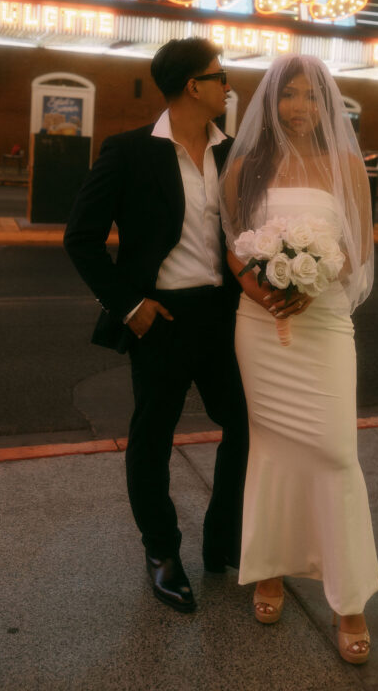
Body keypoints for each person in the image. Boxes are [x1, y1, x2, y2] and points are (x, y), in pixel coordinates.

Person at [64, 38, 247, 614]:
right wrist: (130, 305)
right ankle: (163, 552)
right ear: (194, 85)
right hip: (161, 319)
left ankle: (223, 540)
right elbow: (81, 239)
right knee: (153, 439)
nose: (229, 86)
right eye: (222, 76)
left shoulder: (234, 153)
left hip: (224, 316)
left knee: (247, 425)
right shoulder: (129, 153)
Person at [220, 54, 378, 665]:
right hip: (262, 327)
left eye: (311, 98)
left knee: (338, 452)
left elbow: (358, 247)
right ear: (271, 100)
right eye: (288, 95)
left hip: (325, 322)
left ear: (327, 106)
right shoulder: (247, 164)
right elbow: (232, 246)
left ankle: (350, 598)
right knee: (272, 449)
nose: (299, 108)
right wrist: (262, 288)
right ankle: (270, 568)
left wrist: (314, 277)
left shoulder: (347, 165)